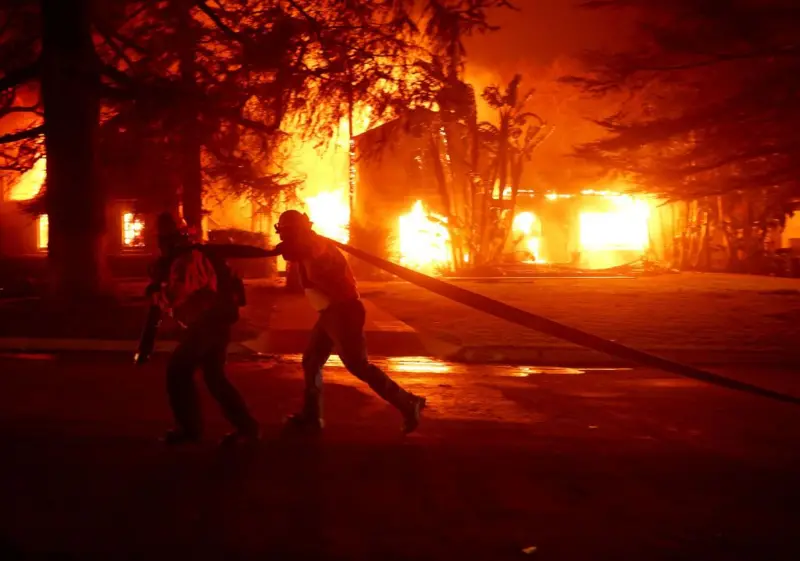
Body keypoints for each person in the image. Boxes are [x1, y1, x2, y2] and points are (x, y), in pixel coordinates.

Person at [269, 209, 426, 434]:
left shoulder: (315, 244)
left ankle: (407, 402)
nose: (283, 237)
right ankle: (312, 417)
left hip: (344, 312)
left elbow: (307, 251)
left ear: (297, 230)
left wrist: (289, 249)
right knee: (312, 361)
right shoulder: (306, 246)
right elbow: (298, 255)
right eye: (283, 233)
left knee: (357, 365)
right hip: (330, 313)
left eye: (286, 232)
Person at [144, 212, 260, 446]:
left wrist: (156, 292)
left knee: (178, 372)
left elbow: (176, 296)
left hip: (206, 326)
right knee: (214, 378)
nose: (159, 245)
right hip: (214, 325)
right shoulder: (190, 256)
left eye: (161, 239)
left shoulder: (186, 261)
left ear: (170, 239)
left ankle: (190, 429)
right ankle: (246, 428)